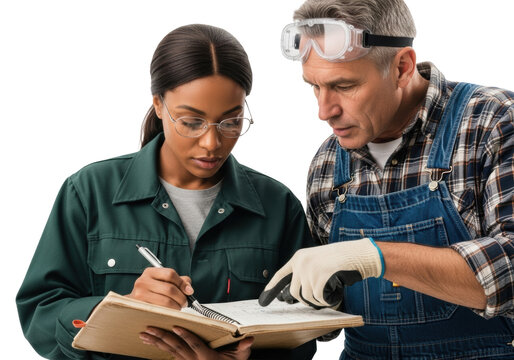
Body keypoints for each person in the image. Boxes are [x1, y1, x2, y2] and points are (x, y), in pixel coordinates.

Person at [16, 24, 317, 360]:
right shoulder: (89, 192)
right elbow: (39, 314)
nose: (212, 143)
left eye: (231, 122)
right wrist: (122, 308)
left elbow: (301, 338)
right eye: (191, 122)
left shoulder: (277, 206)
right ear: (159, 105)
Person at [259, 0, 514, 358]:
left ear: (402, 67)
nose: (323, 111)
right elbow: (331, 323)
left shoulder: (491, 123)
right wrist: (318, 299)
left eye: (344, 86)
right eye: (314, 86)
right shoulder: (327, 164)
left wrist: (374, 257)